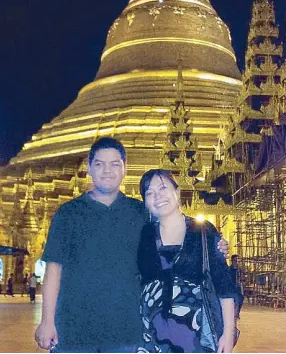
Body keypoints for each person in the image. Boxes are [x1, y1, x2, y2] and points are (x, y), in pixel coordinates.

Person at [35, 137, 229, 353]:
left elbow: (174, 229)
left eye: (115, 164)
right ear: (89, 168)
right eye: (99, 164)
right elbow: (53, 270)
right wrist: (47, 321)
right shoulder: (68, 214)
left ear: (125, 169)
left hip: (127, 332)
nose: (107, 170)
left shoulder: (140, 213)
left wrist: (214, 243)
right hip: (73, 329)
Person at [138, 169, 236, 353]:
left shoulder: (203, 231)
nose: (157, 196)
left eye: (162, 188)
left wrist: (228, 332)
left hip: (196, 336)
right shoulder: (143, 235)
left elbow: (224, 286)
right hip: (150, 337)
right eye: (149, 193)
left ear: (177, 192)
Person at [229, 255, 244, 320]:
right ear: (232, 261)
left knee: (241, 299)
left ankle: (237, 312)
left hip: (238, 286)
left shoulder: (239, 269)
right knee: (236, 300)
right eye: (235, 260)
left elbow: (243, 278)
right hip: (232, 287)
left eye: (238, 261)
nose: (237, 262)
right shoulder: (229, 269)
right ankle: (235, 314)